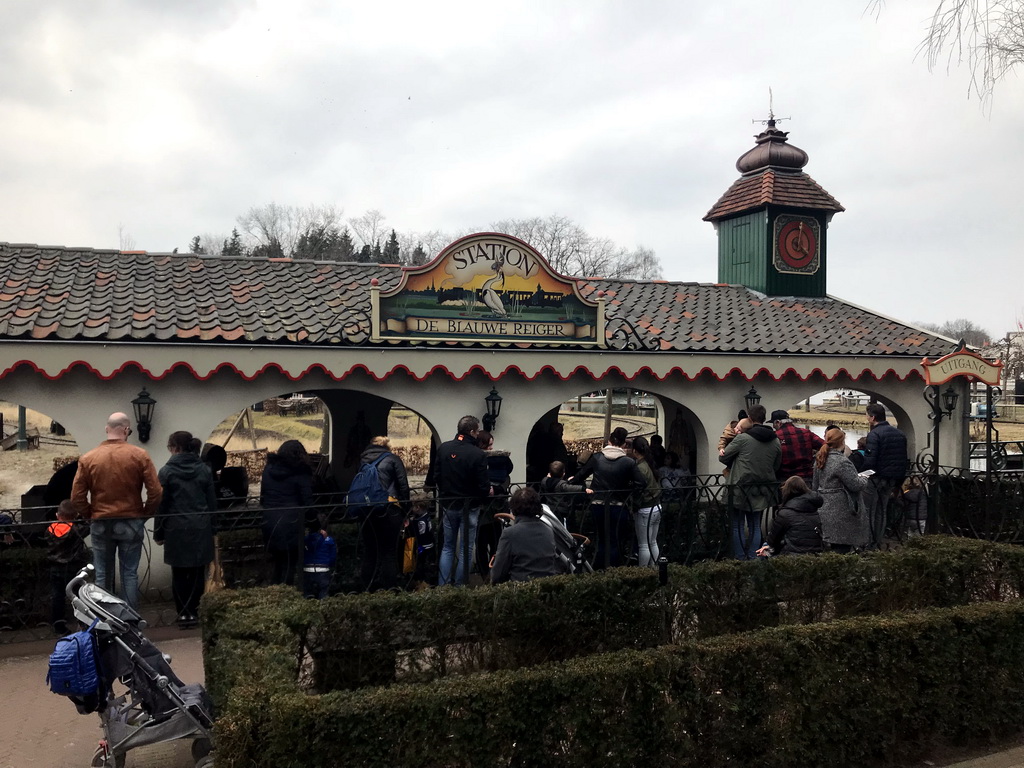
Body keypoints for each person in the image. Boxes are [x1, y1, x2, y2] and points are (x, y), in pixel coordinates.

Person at [70, 412, 162, 609]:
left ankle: (104, 618)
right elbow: (155, 492)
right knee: (129, 572)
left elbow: (76, 497)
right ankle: (130, 622)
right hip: (131, 520)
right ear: (127, 430)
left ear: (106, 429)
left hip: (101, 521)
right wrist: (145, 514)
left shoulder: (88, 458)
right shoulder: (139, 455)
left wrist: (90, 514)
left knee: (102, 573)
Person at [154, 431, 217, 628]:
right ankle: (196, 612)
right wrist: (214, 528)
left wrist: (159, 533)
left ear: (175, 448)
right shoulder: (204, 470)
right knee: (198, 572)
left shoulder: (166, 472)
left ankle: (183, 614)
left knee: (179, 573)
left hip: (176, 527)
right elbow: (212, 503)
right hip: (200, 526)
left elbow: (161, 505)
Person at [572, 426, 646, 569]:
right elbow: (641, 483)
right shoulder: (628, 462)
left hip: (597, 503)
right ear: (624, 444)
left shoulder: (597, 458)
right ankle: (614, 570)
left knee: (600, 538)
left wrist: (570, 483)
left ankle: (599, 569)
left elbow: (580, 476)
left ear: (609, 441)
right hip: (618, 505)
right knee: (615, 539)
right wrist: (625, 492)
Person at [719, 404, 781, 560]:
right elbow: (776, 465)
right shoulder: (776, 440)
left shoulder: (743, 439)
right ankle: (753, 558)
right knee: (755, 525)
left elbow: (723, 457)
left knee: (737, 525)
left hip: (739, 487)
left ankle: (740, 558)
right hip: (762, 489)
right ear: (764, 418)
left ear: (750, 418)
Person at [435, 415, 490, 586]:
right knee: (466, 548)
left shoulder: (443, 448)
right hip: (470, 505)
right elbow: (483, 486)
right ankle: (459, 587)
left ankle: (443, 586)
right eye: (477, 430)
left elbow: (436, 476)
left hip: (449, 504)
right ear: (472, 431)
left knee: (448, 546)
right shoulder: (477, 454)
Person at [356, 435, 410, 592]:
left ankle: (366, 589)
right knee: (388, 553)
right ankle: (389, 590)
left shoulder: (362, 460)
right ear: (386, 446)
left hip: (367, 510)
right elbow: (403, 487)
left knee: (370, 552)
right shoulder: (393, 459)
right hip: (389, 509)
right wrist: (406, 511)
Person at [260, 439, 314, 586]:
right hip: (291, 523)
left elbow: (262, 498)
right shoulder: (301, 473)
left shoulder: (268, 470)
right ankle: (286, 596)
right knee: (290, 565)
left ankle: (274, 594)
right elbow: (308, 503)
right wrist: (316, 526)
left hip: (269, 522)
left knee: (278, 564)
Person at [491, 487, 569, 584]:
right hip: (547, 586)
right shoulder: (548, 530)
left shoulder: (510, 534)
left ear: (514, 508)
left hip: (521, 589)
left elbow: (499, 572)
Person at [812, 427, 869, 553]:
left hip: (823, 507)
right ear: (842, 442)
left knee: (828, 546)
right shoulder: (842, 462)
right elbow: (855, 485)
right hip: (841, 509)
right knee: (841, 547)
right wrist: (864, 478)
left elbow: (815, 485)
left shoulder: (820, 459)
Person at [862, 403, 909, 549]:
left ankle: (869, 542)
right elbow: (903, 459)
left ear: (873, 417)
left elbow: (870, 460)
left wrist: (861, 473)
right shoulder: (899, 433)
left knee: (869, 510)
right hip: (892, 478)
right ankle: (878, 540)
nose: (867, 418)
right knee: (882, 510)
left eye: (868, 416)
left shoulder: (874, 434)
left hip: (876, 478)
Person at [45, 500, 91, 634]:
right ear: (75, 515)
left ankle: (58, 625)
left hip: (55, 567)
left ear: (57, 515)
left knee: (57, 596)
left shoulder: (50, 529)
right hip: (72, 567)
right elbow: (89, 525)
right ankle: (82, 622)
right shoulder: (76, 529)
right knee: (77, 594)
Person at [476, 429, 513, 578]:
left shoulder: (497, 462)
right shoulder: (479, 459)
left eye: (492, 445)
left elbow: (506, 477)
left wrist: (497, 489)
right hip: (484, 509)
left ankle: (494, 571)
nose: (491, 448)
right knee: (483, 542)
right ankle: (485, 573)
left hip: (495, 508)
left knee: (495, 542)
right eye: (489, 445)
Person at [757, 476, 824, 557]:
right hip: (815, 554)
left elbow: (773, 540)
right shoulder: (814, 509)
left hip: (792, 555)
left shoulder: (785, 513)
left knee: (765, 547)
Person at [629, 436, 662, 568]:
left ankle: (642, 573)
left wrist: (634, 506)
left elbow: (638, 489)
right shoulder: (649, 463)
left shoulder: (640, 467)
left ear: (634, 451)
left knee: (643, 544)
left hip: (645, 508)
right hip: (657, 506)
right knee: (653, 542)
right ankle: (654, 569)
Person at [771, 409, 825, 483]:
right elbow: (825, 446)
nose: (773, 427)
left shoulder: (775, 436)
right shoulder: (806, 433)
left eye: (773, 424)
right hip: (807, 479)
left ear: (778, 422)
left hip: (785, 480)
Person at [302, 514, 337, 599]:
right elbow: (333, 557)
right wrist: (329, 564)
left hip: (308, 568)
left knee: (308, 593)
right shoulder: (329, 540)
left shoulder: (307, 539)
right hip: (323, 569)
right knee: (323, 592)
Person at [408, 491, 437, 588]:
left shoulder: (420, 522)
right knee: (426, 563)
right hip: (430, 544)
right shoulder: (426, 516)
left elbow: (420, 534)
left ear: (418, 508)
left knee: (421, 563)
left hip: (423, 546)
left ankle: (422, 582)